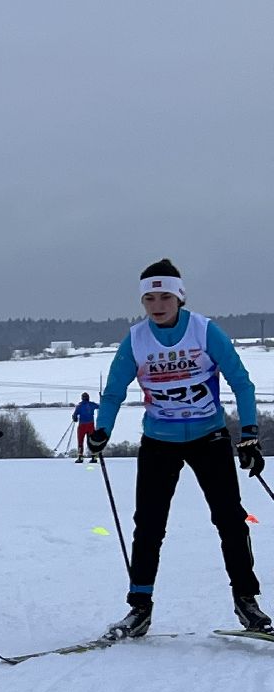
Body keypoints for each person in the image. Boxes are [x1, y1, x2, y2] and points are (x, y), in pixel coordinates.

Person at [88, 259, 269, 637]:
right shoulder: (136, 339)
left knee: (231, 521)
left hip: (210, 437)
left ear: (179, 297)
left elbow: (242, 383)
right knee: (149, 526)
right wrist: (102, 429)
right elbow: (114, 391)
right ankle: (139, 608)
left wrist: (249, 434)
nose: (157, 304)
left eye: (165, 296)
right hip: (159, 441)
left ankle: (247, 602)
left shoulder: (205, 331)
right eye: (149, 298)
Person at [72, 393, 96, 462]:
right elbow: (100, 406)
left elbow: (75, 415)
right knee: (92, 441)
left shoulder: (79, 406)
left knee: (80, 441)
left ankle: (80, 457)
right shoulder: (92, 404)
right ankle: (94, 457)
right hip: (91, 425)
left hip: (82, 426)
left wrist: (74, 418)